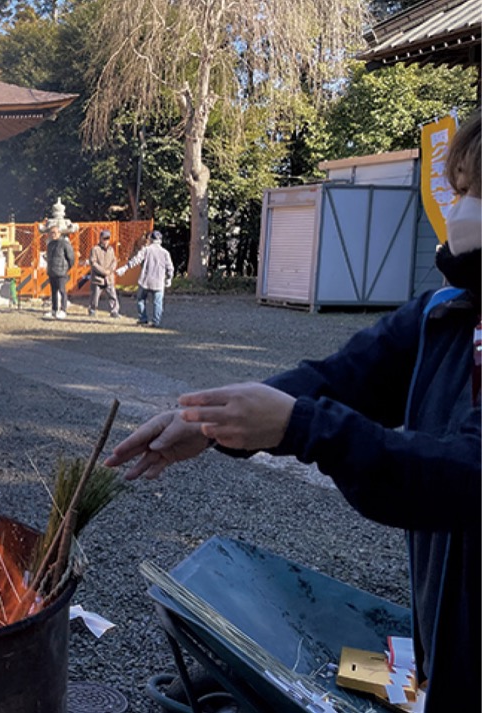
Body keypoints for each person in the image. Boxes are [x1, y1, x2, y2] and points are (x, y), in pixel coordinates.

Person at [105, 112, 481, 712]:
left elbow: (466, 474)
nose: (459, 209)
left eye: (472, 192)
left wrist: (301, 428)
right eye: (456, 189)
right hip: (450, 647)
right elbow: (339, 378)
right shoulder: (447, 311)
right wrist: (210, 419)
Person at [117, 230, 173, 327]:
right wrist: (169, 278)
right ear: (160, 240)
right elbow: (170, 267)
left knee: (141, 299)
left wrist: (125, 268)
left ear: (151, 239)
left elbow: (136, 260)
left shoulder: (146, 250)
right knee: (158, 303)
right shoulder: (165, 253)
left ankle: (143, 319)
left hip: (145, 281)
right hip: (159, 282)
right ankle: (156, 321)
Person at [43, 225, 74, 319]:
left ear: (59, 233)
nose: (53, 235)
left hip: (61, 272)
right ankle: (54, 309)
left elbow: (71, 258)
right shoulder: (50, 244)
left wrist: (66, 268)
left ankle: (63, 310)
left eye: (55, 233)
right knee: (53, 292)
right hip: (52, 271)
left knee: (62, 291)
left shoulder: (64, 243)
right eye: (51, 233)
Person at [87, 229, 120, 318]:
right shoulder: (95, 249)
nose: (106, 240)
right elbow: (93, 263)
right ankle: (92, 310)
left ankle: (114, 311)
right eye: (104, 238)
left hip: (109, 278)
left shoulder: (111, 249)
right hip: (98, 279)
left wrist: (110, 270)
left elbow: (114, 261)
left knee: (112, 295)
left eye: (107, 238)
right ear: (100, 238)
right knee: (95, 297)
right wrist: (103, 271)